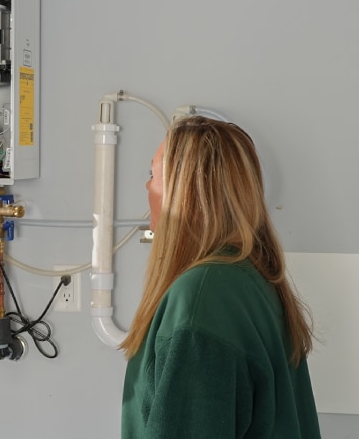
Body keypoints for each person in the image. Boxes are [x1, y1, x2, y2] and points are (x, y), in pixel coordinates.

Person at [120, 116, 321, 438]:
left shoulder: (199, 299)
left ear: (187, 193)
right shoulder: (249, 278)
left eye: (153, 175)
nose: (147, 187)